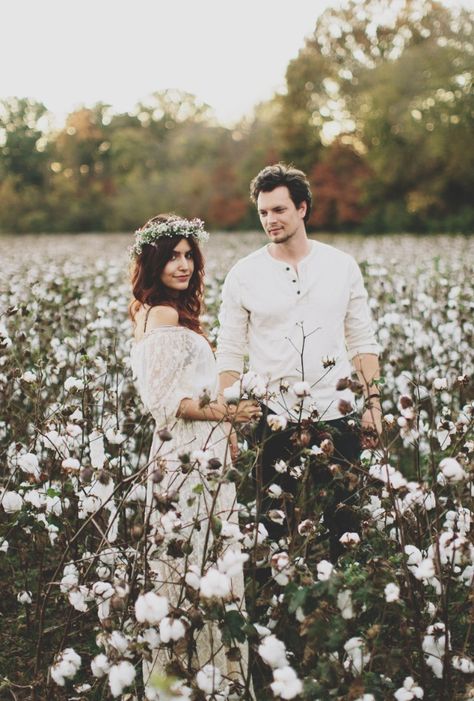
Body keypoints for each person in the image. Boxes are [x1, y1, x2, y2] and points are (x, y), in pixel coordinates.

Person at [217, 164, 382, 562]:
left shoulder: (341, 266)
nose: (270, 220)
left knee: (346, 525)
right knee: (272, 528)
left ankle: (343, 612)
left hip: (337, 412)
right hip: (273, 415)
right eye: (263, 213)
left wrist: (373, 404)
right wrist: (226, 418)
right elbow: (229, 349)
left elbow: (361, 340)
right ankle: (275, 614)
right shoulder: (244, 274)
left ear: (302, 208)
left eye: (279, 210)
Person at [129, 214, 260, 698]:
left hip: (194, 453)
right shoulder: (161, 315)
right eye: (173, 256)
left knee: (191, 560)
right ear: (153, 261)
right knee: (193, 559)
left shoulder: (154, 311)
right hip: (183, 454)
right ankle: (204, 678)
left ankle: (188, 676)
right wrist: (230, 412)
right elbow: (166, 403)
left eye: (189, 255)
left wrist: (223, 422)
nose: (183, 265)